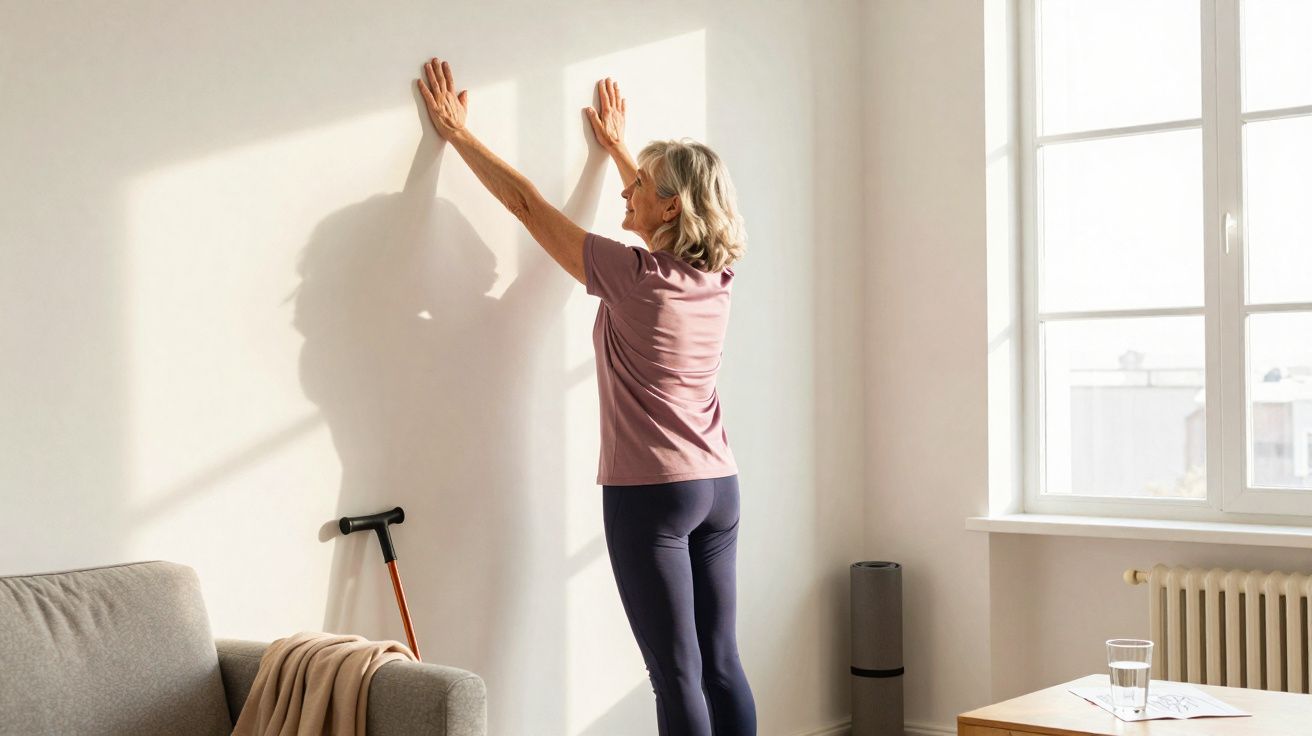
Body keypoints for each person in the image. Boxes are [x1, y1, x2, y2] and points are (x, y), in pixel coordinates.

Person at [418, 57, 756, 736]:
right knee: (719, 662)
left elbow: (527, 206)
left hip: (652, 492)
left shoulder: (635, 275)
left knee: (676, 673)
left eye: (641, 187)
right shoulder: (714, 277)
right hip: (718, 485)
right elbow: (659, 204)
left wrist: (458, 134)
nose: (627, 192)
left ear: (671, 206)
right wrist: (622, 150)